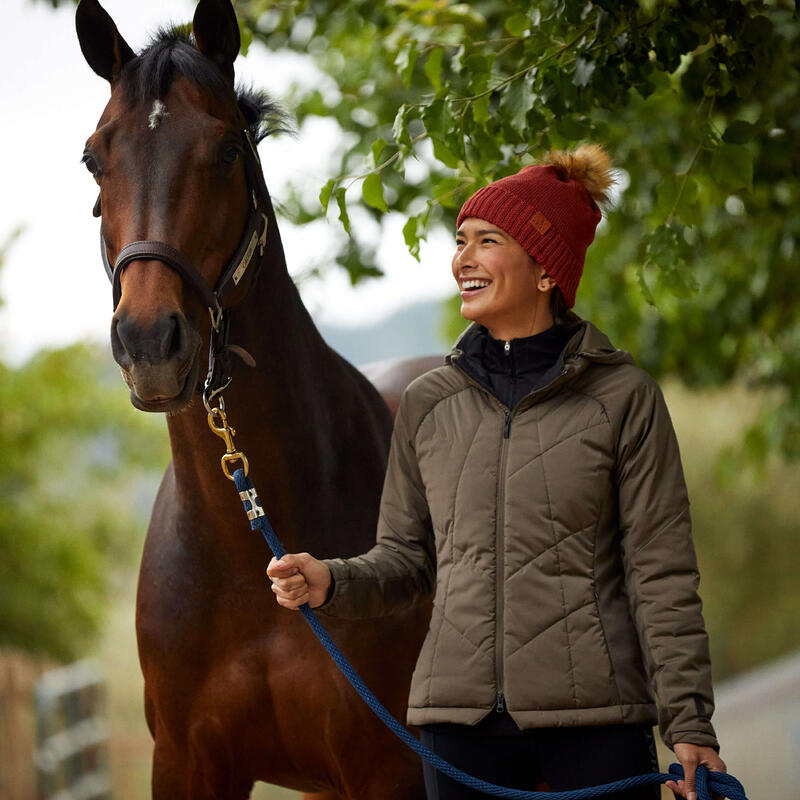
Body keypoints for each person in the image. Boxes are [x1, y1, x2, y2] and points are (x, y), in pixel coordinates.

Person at [267, 145, 726, 800]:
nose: (463, 258)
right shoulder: (429, 403)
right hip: (458, 728)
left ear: (546, 272)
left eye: (487, 240)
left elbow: (662, 573)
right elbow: (407, 560)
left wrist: (690, 723)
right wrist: (330, 581)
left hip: (596, 724)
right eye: (461, 241)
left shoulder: (623, 398)